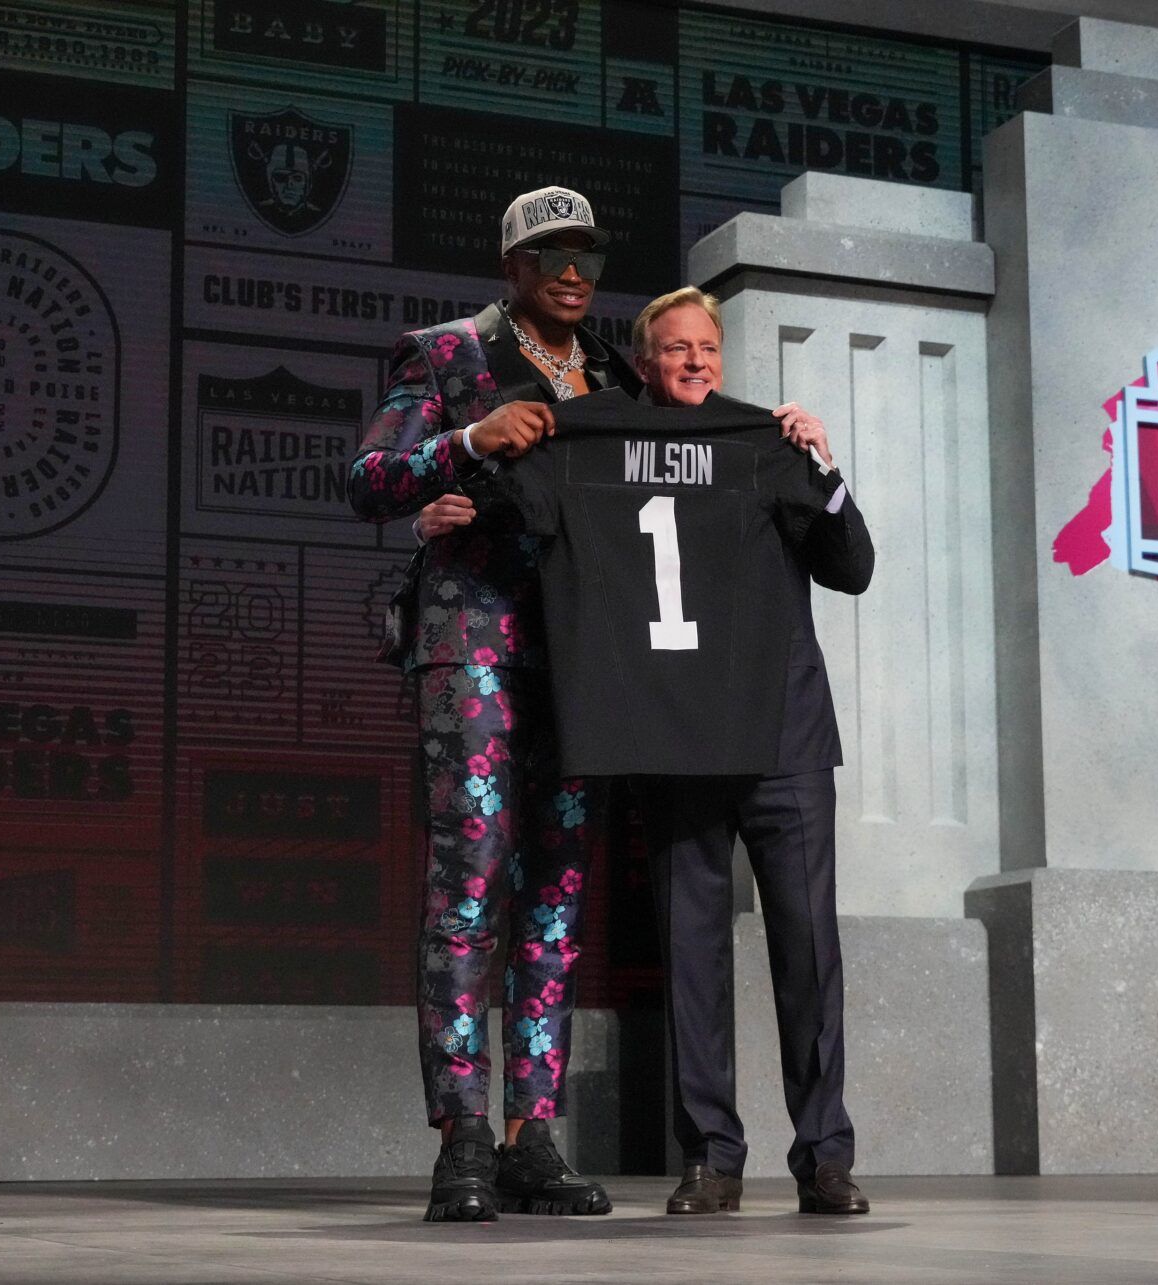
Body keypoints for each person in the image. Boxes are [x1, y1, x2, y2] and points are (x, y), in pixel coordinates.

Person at [346, 186, 636, 1222]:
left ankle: (531, 1134)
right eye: (551, 254)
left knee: (558, 893)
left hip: (580, 649)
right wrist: (470, 442)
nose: (573, 271)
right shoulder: (447, 354)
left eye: (587, 254)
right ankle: (462, 1131)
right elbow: (371, 476)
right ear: (513, 265)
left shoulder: (615, 372)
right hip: (472, 636)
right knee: (470, 877)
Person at [627, 288, 875, 1217]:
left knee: (809, 951)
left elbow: (851, 569)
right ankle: (711, 1160)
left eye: (709, 347)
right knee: (692, 956)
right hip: (679, 741)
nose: (695, 361)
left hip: (786, 739)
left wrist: (824, 462)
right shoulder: (618, 453)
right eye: (676, 349)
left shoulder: (766, 443)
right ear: (647, 363)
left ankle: (825, 1157)